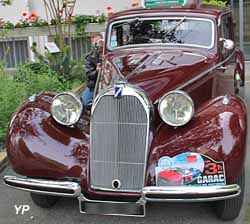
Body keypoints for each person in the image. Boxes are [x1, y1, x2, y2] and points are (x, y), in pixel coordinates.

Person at [81, 33, 104, 109]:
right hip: (94, 84)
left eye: (99, 41)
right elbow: (89, 74)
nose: (98, 44)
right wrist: (97, 71)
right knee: (84, 103)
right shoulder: (89, 57)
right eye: (95, 43)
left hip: (109, 84)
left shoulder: (111, 54)